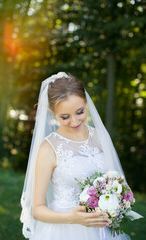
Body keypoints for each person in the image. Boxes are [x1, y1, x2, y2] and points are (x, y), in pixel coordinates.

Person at [20, 72, 135, 240]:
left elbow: (116, 180)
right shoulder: (48, 148)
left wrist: (116, 202)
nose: (74, 121)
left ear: (86, 103)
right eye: (65, 117)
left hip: (102, 226)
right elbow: (37, 209)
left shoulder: (100, 137)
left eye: (80, 112)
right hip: (64, 230)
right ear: (53, 113)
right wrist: (72, 218)